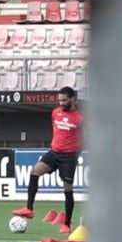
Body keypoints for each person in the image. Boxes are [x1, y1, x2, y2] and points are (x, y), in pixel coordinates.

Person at [14, 86, 83, 234]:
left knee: (67, 190)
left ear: (72, 99)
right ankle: (29, 208)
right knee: (34, 172)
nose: (61, 102)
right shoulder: (55, 113)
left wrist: (75, 154)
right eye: (59, 100)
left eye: (64, 100)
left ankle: (66, 224)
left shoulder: (79, 118)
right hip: (54, 152)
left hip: (68, 157)